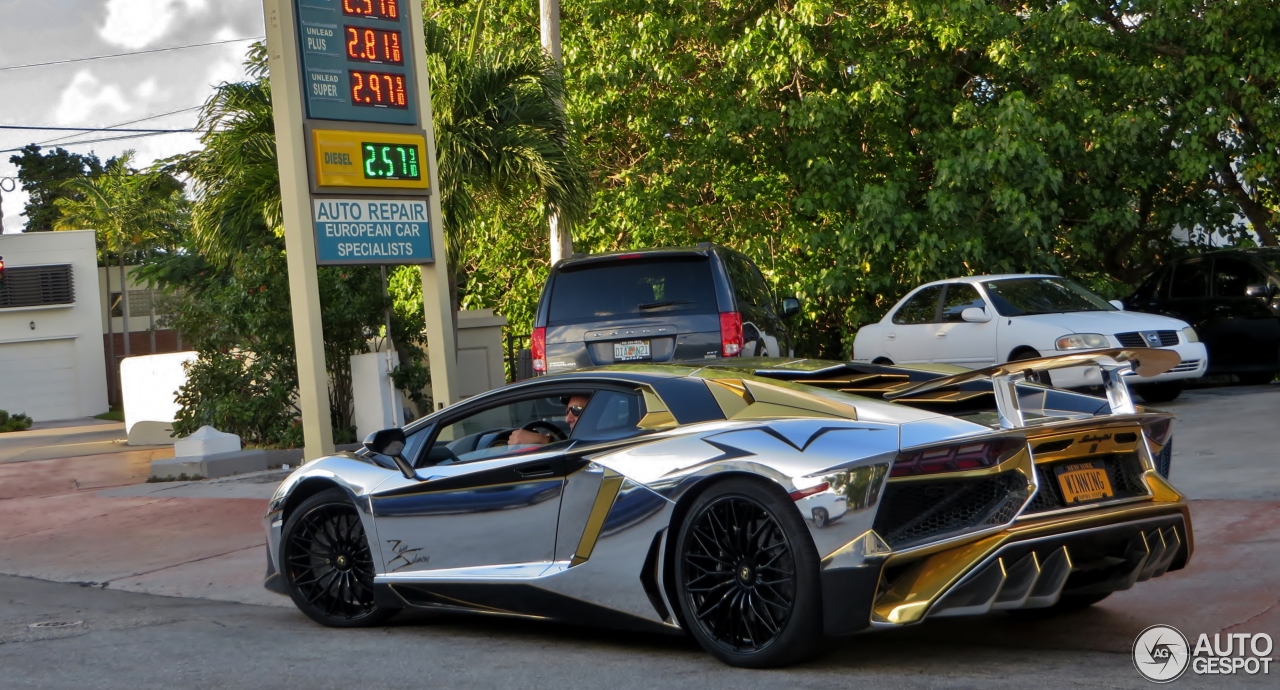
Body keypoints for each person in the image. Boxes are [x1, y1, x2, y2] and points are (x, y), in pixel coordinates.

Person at [507, 394, 589, 445]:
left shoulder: (596, 445)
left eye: (576, 410)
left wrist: (541, 440)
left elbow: (573, 460)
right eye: (567, 411)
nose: (567, 419)